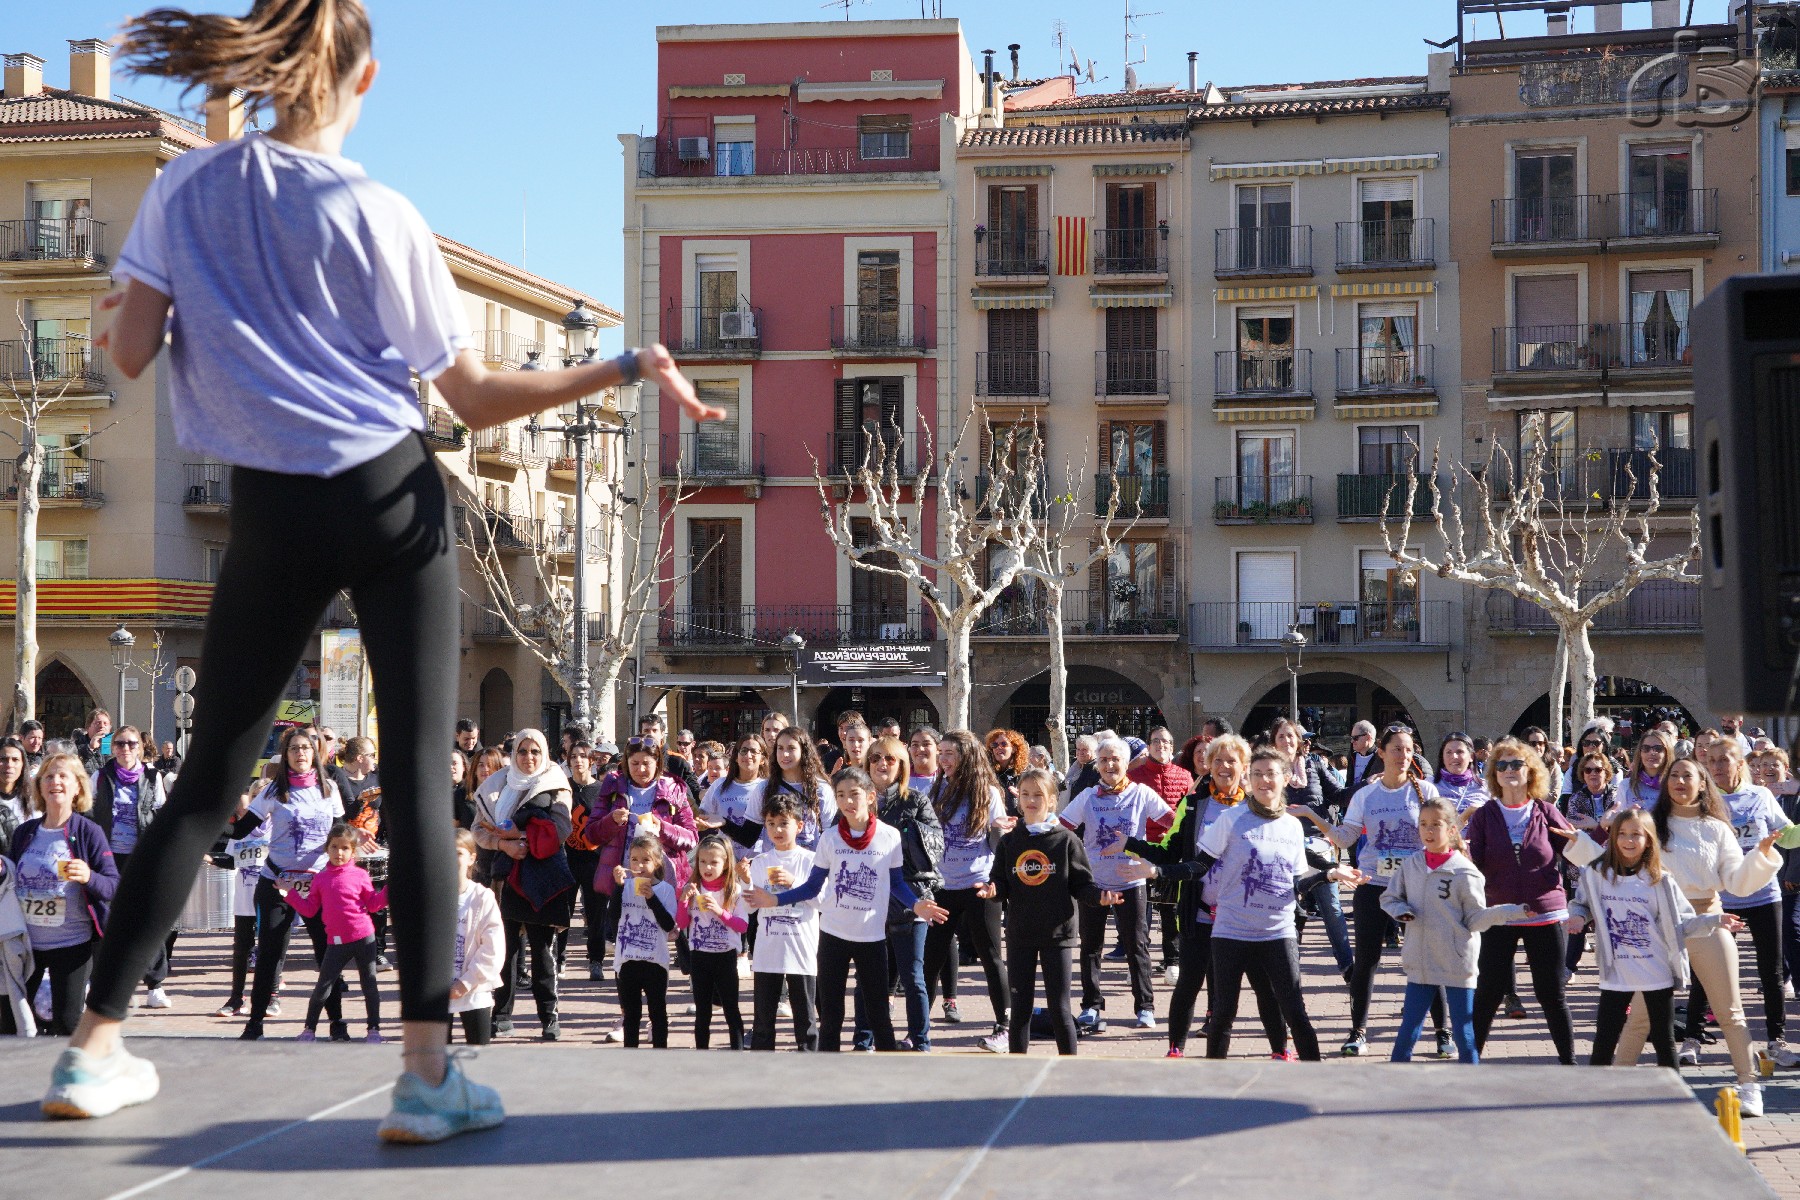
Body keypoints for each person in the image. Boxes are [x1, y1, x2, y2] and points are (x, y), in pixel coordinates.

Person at [43, 0, 722, 1138]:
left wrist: (127, 312)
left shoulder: (185, 187)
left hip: (267, 504)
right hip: (387, 492)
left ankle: (91, 1052)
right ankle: (425, 1076)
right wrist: (620, 368)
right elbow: (474, 398)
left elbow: (130, 349)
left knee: (206, 780)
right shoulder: (378, 212)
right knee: (413, 778)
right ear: (365, 81)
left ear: (265, 68)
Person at [1127, 746, 1354, 1062]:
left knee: (1294, 1009)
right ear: (1249, 777)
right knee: (1223, 1012)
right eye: (1257, 774)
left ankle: (1310, 1074)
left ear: (1285, 778)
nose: (1263, 780)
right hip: (1231, 930)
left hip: (1277, 932)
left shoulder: (1291, 826)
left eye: (1271, 774)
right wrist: (1158, 871)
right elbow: (1199, 866)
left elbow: (1296, 885)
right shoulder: (1231, 819)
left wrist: (1329, 874)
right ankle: (1211, 1076)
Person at [746, 766, 948, 1052]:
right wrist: (776, 900)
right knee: (831, 1017)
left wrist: (916, 905)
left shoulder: (889, 836)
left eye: (854, 794)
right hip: (833, 936)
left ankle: (890, 1073)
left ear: (870, 796)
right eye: (840, 795)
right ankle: (828, 1073)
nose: (847, 801)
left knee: (879, 1015)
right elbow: (812, 887)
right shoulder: (830, 838)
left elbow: (895, 883)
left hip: (871, 936)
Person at [1126, 734, 1284, 1058]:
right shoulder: (1194, 803)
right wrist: (1130, 844)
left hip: (1244, 915)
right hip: (1199, 909)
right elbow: (1170, 850)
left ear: (1244, 767)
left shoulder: (1257, 806)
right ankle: (1176, 1048)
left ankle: (1280, 1050)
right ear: (1208, 765)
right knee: (1189, 982)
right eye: (1217, 760)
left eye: (1231, 761)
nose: (1224, 767)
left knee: (1261, 983)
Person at [1570, 808, 1733, 1070]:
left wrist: (1715, 920)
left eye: (1636, 834)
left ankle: (1673, 1092)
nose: (1628, 840)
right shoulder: (1597, 874)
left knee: (1663, 1040)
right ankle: (1597, 1092)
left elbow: (1682, 923)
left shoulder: (1660, 880)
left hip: (1656, 970)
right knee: (1604, 1041)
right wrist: (1578, 917)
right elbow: (1581, 904)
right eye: (1622, 833)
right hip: (1617, 972)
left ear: (1648, 840)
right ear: (1613, 837)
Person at [1322, 723, 1447, 1057]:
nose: (1403, 756)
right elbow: (1345, 838)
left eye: (1408, 750)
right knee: (1366, 961)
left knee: (1426, 959)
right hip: (1372, 886)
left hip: (1417, 887)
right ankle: (1357, 1033)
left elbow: (1443, 837)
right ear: (1381, 753)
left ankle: (1443, 1032)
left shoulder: (1426, 791)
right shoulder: (1366, 795)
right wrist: (1312, 817)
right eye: (1396, 749)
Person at [978, 767, 1113, 1055]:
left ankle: (1067, 1069)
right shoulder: (1010, 841)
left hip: (1058, 934)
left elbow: (1082, 885)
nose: (1031, 800)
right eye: (1025, 794)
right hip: (1021, 934)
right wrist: (993, 891)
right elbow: (1000, 882)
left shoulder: (1066, 840)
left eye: (1038, 795)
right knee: (1020, 1009)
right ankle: (1019, 1069)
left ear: (1052, 800)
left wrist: (1099, 897)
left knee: (1060, 1008)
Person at [227, 728, 350, 1042]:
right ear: (286, 756)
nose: (300, 754)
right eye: (294, 749)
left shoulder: (329, 788)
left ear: (315, 752)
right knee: (269, 955)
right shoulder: (273, 790)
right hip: (278, 884)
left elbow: (341, 832)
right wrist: (213, 813)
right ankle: (255, 1023)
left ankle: (337, 1023)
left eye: (306, 748)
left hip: (319, 885)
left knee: (327, 956)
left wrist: (354, 841)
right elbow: (241, 829)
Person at [1381, 796, 1525, 1064]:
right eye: (1423, 824)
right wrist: (1400, 910)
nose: (1428, 830)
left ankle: (1469, 1084)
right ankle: (1395, 1083)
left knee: (1464, 1034)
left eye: (1436, 824)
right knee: (1408, 1031)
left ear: (1451, 830)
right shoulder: (1411, 864)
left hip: (1457, 963)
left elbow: (1476, 919)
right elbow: (1389, 897)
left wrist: (1508, 912)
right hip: (1421, 961)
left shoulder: (1466, 872)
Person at [1463, 737, 1580, 1065]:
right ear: (1494, 775)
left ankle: (1571, 1066)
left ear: (1531, 772)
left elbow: (1577, 853)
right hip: (1499, 913)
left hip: (1546, 912)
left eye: (1517, 764)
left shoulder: (1546, 811)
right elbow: (1472, 864)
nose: (1509, 770)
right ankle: (1468, 1065)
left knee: (1552, 995)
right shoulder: (1484, 815)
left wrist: (1585, 840)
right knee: (1487, 993)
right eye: (1502, 765)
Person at [584, 735, 696, 1041]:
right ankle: (627, 1014)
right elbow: (590, 834)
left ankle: (657, 1015)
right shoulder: (612, 787)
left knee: (656, 945)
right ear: (625, 764)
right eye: (634, 764)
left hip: (663, 880)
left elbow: (691, 837)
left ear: (657, 763)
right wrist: (611, 821)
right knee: (626, 943)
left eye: (647, 763)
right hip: (625, 878)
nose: (641, 769)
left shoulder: (673, 788)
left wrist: (664, 828)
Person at [2, 755, 118, 1037]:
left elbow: (113, 885)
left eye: (63, 776)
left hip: (71, 944)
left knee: (67, 1023)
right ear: (39, 787)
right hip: (26, 945)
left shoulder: (88, 832)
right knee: (11, 1021)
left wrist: (89, 876)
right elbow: (10, 879)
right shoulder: (25, 832)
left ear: (77, 787)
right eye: (49, 776)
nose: (55, 782)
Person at [1062, 735, 1172, 1031]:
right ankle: (1091, 1006)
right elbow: (1063, 827)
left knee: (1137, 946)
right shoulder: (1088, 796)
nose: (1110, 765)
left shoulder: (1141, 793)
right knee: (1090, 947)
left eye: (1115, 759)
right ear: (1097, 765)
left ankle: (1145, 1007)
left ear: (1126, 763)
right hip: (1094, 883)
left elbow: (1172, 823)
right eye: (1104, 760)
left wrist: (1160, 852)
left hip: (1131, 881)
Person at [474, 729, 575, 1041]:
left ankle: (549, 1018)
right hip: (503, 878)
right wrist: (503, 845)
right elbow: (478, 828)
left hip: (541, 877)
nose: (528, 757)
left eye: (535, 751)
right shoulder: (496, 784)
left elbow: (562, 828)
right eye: (522, 751)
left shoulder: (555, 783)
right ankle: (501, 1016)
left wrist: (521, 839)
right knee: (504, 951)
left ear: (544, 753)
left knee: (542, 951)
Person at [1700, 735, 1794, 1069]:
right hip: (1721, 898)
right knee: (1707, 970)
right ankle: (1693, 1039)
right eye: (1711, 761)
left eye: (1723, 760)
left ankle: (1776, 1041)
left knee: (1771, 972)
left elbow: (1786, 835)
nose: (1716, 767)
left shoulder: (1761, 795)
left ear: (1740, 763)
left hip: (1763, 894)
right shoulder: (1702, 800)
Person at [922, 730, 1012, 1055]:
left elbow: (1000, 843)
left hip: (978, 885)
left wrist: (997, 882)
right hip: (943, 887)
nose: (943, 759)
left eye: (949, 753)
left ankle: (1004, 1027)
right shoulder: (936, 789)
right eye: (941, 753)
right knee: (930, 959)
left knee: (991, 957)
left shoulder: (987, 792)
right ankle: (919, 1029)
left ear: (966, 756)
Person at [867, 736, 944, 1053]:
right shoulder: (858, 799)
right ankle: (866, 1038)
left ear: (901, 765)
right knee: (870, 978)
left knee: (913, 976)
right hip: (868, 898)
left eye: (890, 758)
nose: (881, 764)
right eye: (875, 758)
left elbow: (936, 848)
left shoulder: (916, 800)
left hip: (911, 897)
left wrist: (906, 832)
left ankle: (920, 1039)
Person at [279, 822, 387, 1043]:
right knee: (323, 986)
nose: (339, 852)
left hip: (364, 938)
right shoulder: (320, 878)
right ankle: (309, 1030)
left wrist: (389, 889)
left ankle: (374, 1030)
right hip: (336, 942)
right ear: (327, 849)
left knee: (369, 984)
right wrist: (289, 894)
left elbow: (373, 905)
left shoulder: (360, 875)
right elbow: (310, 910)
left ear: (353, 851)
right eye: (334, 847)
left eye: (345, 848)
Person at [88, 728, 172, 1010]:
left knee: (146, 919)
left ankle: (155, 984)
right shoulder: (101, 777)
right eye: (120, 743)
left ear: (140, 747)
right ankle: (103, 983)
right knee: (104, 918)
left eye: (131, 743)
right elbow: (87, 813)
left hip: (140, 856)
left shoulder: (152, 776)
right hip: (107, 858)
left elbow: (160, 814)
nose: (125, 748)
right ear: (113, 748)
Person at [1270, 718, 1353, 979]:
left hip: (1318, 845)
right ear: (1274, 741)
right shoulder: (1268, 770)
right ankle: (1287, 972)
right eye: (1281, 736)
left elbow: (1339, 795)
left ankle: (1349, 969)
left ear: (1299, 741)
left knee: (1332, 910)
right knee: (1290, 913)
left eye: (1291, 736)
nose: (1287, 741)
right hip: (1282, 849)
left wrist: (1367, 785)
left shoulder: (1314, 763)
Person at [746, 791, 820, 1051]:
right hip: (768, 950)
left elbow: (824, 901)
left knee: (806, 1020)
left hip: (801, 949)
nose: (777, 830)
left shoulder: (811, 861)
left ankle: (809, 1061)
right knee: (763, 1020)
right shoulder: (759, 862)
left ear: (799, 826)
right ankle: (763, 1063)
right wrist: (744, 882)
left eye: (783, 823)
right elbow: (749, 907)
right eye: (771, 823)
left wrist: (794, 883)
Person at [680, 831, 749, 1050]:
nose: (707, 867)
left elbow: (742, 926)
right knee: (703, 1012)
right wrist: (683, 901)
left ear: (726, 864)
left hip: (725, 956)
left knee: (731, 1009)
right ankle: (702, 1054)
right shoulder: (693, 888)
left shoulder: (734, 890)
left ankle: (737, 1053)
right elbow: (682, 923)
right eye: (702, 862)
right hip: (699, 957)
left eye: (713, 862)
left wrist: (720, 911)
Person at [209, 785, 272, 1019]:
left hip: (270, 896)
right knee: (241, 948)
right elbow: (233, 860)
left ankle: (272, 996)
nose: (259, 801)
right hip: (245, 897)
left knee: (271, 947)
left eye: (264, 797)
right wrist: (210, 859)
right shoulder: (243, 829)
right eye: (255, 796)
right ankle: (236, 998)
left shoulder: (279, 827)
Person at [613, 835, 678, 1048]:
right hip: (627, 961)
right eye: (634, 859)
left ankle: (659, 1055)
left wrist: (652, 898)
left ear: (657, 862)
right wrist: (618, 887)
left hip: (655, 962)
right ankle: (631, 1056)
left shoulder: (666, 890)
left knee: (657, 1012)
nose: (639, 865)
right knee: (631, 1014)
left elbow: (668, 925)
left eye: (645, 860)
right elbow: (612, 920)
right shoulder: (625, 887)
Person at [448, 829, 503, 1046]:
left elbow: (493, 948)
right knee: (438, 1057)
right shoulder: (431, 895)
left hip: (474, 990)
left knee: (479, 1053)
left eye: (458, 853)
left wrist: (466, 982)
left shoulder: (482, 898)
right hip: (437, 992)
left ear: (471, 858)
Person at [560, 740, 605, 981]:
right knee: (562, 912)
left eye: (582, 756)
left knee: (596, 913)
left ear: (591, 761)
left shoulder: (601, 790)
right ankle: (559, 959)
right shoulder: (562, 788)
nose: (578, 760)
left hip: (594, 860)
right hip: (567, 858)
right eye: (573, 756)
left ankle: (596, 961)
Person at [1614, 729, 1675, 811]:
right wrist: (1628, 815)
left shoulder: (1675, 785)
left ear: (1667, 752)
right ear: (1640, 753)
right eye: (1646, 748)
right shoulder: (1626, 785)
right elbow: (1618, 816)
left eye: (1658, 748)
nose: (1651, 752)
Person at [1434, 732, 1487, 817]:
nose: (1454, 756)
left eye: (1459, 752)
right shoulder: (1429, 786)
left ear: (1471, 757)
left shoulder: (1486, 788)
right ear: (1442, 757)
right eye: (1449, 752)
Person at [985, 729, 1029, 814]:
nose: (999, 748)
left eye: (1004, 744)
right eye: (994, 745)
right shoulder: (987, 774)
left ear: (1014, 749)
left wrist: (1023, 800)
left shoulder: (1025, 776)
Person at [0, 738, 32, 847]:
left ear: (23, 764)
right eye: (3, 759)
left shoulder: (34, 799)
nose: (9, 765)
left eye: (15, 759)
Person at [906, 727, 941, 796]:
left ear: (938, 748)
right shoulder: (901, 778)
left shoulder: (947, 778)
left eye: (926, 744)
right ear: (909, 749)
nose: (920, 749)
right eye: (915, 745)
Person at [1065, 735, 1100, 800]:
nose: (1080, 752)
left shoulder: (1097, 770)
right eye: (1078, 749)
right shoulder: (1075, 767)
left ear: (1094, 751)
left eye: (1084, 749)